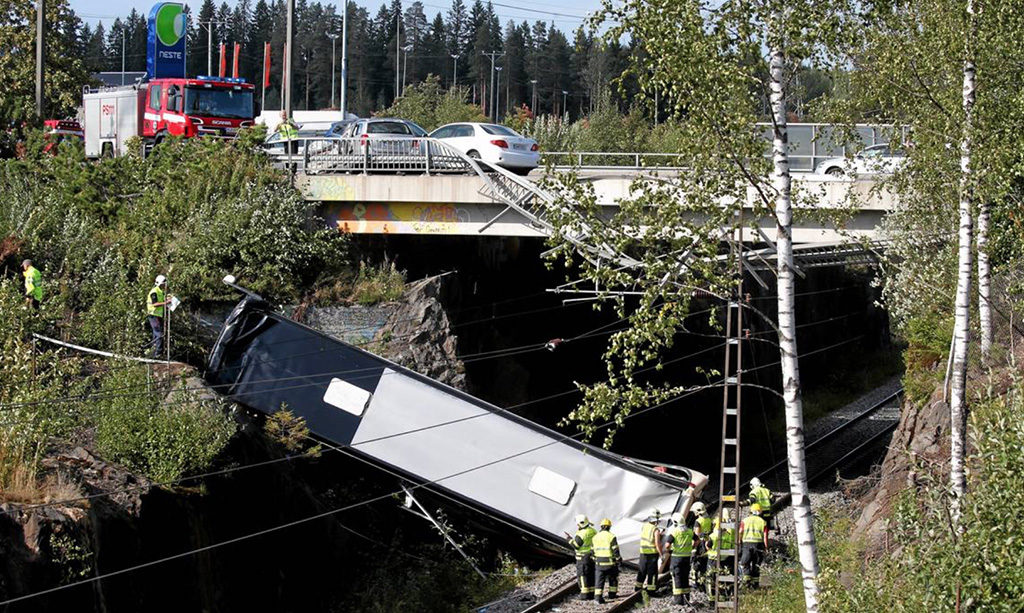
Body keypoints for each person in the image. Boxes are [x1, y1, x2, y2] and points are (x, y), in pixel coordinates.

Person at [664, 511, 696, 605]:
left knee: (676, 577)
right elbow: (697, 540)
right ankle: (686, 598)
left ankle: (678, 600)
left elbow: (667, 545)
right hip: (687, 557)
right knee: (685, 576)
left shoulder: (675, 532)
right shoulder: (690, 531)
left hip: (676, 558)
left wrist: (669, 551)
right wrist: (691, 547)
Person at [706, 508, 736, 597]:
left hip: (713, 560)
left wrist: (709, 551)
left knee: (711, 579)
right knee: (723, 579)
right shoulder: (728, 534)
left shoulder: (713, 536)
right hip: (725, 559)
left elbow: (708, 545)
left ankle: (712, 598)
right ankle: (723, 596)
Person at [567, 514, 596, 601]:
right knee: (591, 575)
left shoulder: (581, 534)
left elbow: (576, 545)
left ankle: (584, 594)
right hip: (591, 556)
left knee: (583, 575)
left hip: (582, 558)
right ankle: (591, 593)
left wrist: (569, 539)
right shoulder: (593, 531)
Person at [739, 503, 769, 588]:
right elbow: (765, 536)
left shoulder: (745, 521)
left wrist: (739, 542)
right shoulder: (763, 522)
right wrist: (766, 547)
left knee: (745, 563)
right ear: (760, 512)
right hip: (758, 545)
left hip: (746, 544)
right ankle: (755, 585)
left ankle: (747, 583)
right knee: (756, 564)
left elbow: (740, 532)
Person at [592, 518, 621, 605]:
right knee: (613, 578)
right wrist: (618, 559)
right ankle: (612, 594)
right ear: (609, 527)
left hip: (599, 563)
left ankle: (597, 598)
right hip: (610, 563)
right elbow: (615, 550)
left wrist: (595, 560)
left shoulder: (595, 537)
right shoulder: (611, 536)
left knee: (599, 581)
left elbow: (592, 551)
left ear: (601, 527)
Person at [635, 509, 663, 596]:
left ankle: (637, 587)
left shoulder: (644, 526)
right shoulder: (656, 530)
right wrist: (661, 555)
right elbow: (657, 544)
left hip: (643, 552)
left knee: (642, 570)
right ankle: (651, 590)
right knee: (652, 573)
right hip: (652, 554)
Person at [147, 275, 172, 358]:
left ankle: (152, 353)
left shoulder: (160, 292)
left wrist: (168, 300)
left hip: (158, 315)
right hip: (153, 315)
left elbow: (162, 301)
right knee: (159, 334)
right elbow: (155, 304)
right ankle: (158, 353)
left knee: (155, 334)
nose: (165, 285)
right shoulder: (154, 292)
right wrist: (166, 303)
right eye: (164, 283)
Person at [691, 501, 713, 591]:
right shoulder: (708, 519)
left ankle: (696, 583)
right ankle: (704, 582)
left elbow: (696, 535)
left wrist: (693, 547)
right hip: (707, 543)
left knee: (696, 564)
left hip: (700, 544)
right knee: (704, 564)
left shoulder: (698, 521)